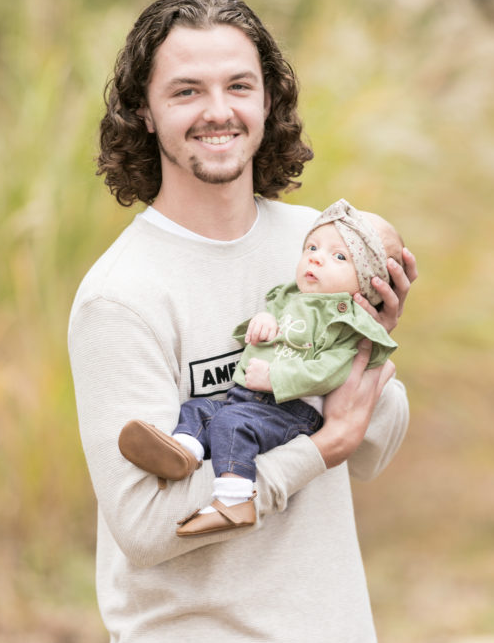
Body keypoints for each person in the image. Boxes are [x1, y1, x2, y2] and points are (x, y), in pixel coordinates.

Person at [68, 0, 417, 643]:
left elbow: (372, 447)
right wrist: (314, 451)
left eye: (238, 86)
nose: (216, 112)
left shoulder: (320, 246)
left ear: (268, 100)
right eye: (185, 90)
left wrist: (368, 350)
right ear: (144, 114)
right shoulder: (121, 296)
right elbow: (148, 528)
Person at [117, 199, 405, 538]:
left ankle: (234, 500)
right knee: (200, 410)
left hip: (291, 410)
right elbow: (263, 325)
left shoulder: (346, 321)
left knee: (233, 423)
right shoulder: (290, 295)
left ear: (369, 286)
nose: (316, 257)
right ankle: (185, 452)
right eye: (312, 247)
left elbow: (330, 370)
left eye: (339, 257)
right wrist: (263, 321)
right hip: (246, 398)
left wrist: (275, 379)